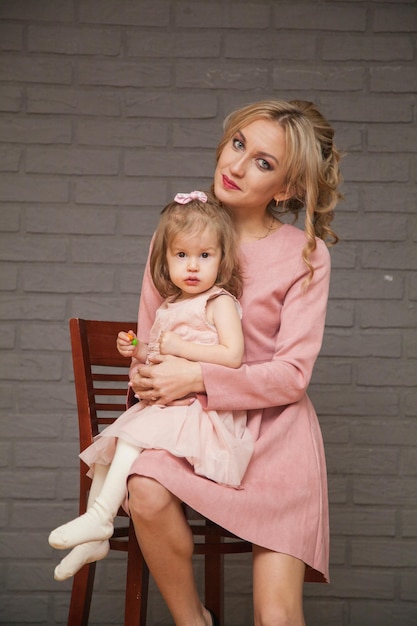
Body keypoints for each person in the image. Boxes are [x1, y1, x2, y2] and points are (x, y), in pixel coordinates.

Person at [125, 99, 343, 626]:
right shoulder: (177, 236)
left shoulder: (306, 255)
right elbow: (151, 343)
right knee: (145, 488)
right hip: (192, 425)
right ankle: (193, 620)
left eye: (264, 163)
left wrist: (198, 374)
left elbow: (292, 376)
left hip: (277, 440)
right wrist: (149, 374)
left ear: (286, 189)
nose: (237, 164)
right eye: (239, 143)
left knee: (277, 616)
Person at [48, 191, 253, 584]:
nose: (192, 266)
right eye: (181, 255)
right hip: (167, 407)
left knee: (130, 436)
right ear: (165, 260)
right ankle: (96, 534)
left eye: (205, 256)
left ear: (222, 260)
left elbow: (232, 356)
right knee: (109, 453)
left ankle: (101, 517)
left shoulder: (219, 302)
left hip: (200, 411)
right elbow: (155, 353)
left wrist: (180, 346)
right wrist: (137, 349)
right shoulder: (168, 306)